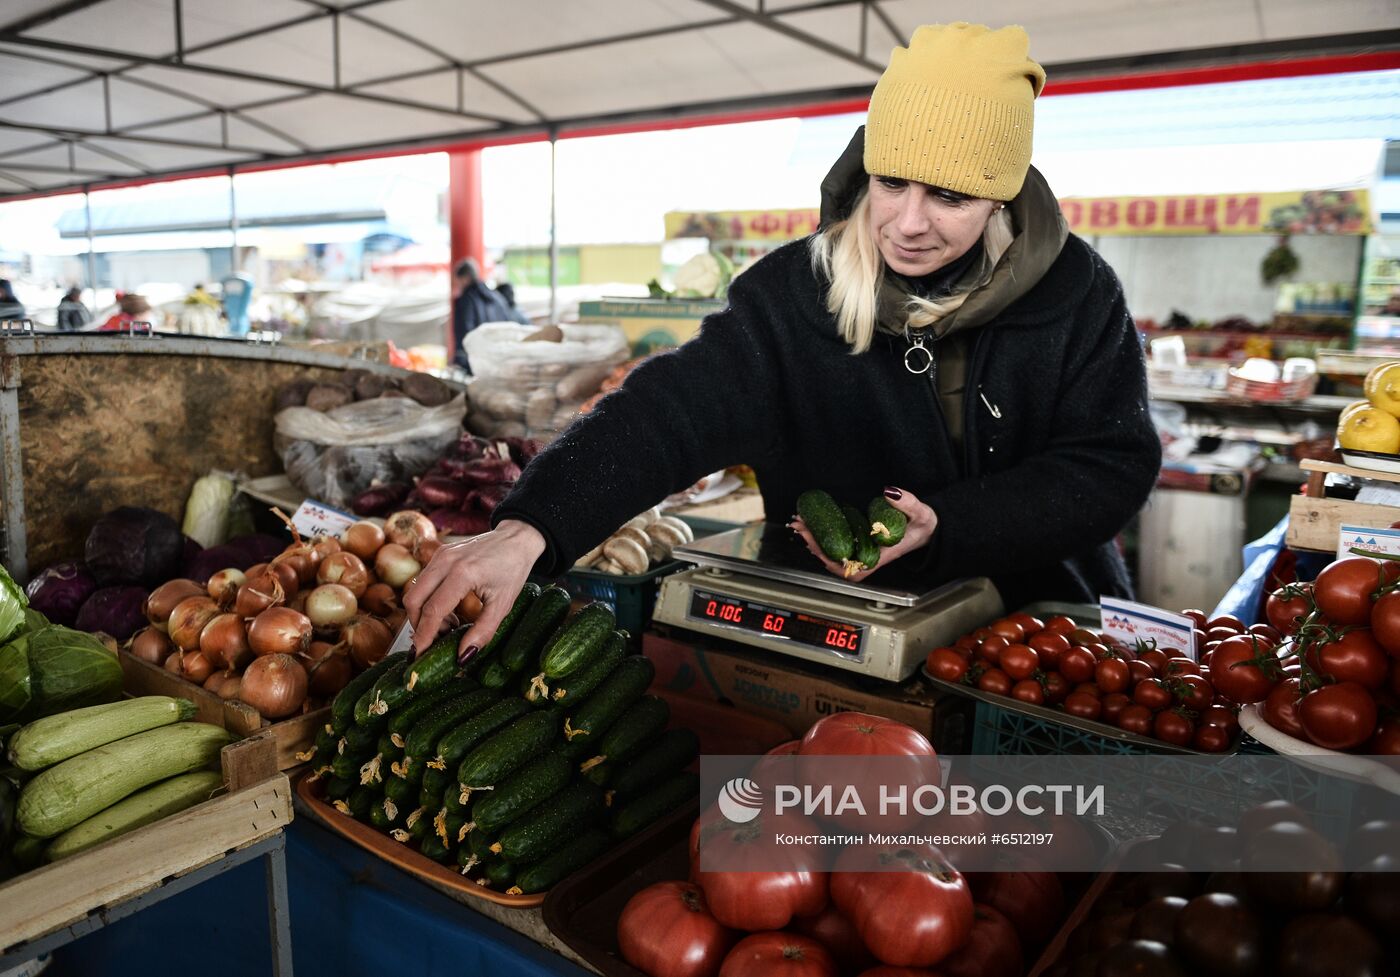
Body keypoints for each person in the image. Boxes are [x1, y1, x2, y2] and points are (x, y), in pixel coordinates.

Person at [406, 22, 1162, 660]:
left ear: (999, 193)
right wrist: (532, 524)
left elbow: (1110, 463)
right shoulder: (792, 296)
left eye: (949, 196)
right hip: (844, 636)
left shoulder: (1077, 295)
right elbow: (669, 410)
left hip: (1042, 640)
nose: (906, 222)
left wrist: (956, 523)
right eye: (891, 182)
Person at [450, 257, 518, 371]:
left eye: (458, 281)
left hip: (475, 363)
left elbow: (464, 332)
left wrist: (460, 360)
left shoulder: (466, 301)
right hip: (500, 361)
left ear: (465, 278)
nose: (458, 286)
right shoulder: (497, 298)